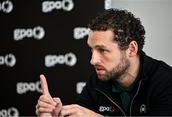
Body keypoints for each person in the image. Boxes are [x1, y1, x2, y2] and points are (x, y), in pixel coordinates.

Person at [35, 8, 172, 116]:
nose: (93, 60)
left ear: (131, 49)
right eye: (92, 50)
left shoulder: (165, 80)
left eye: (102, 50)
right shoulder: (96, 82)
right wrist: (55, 115)